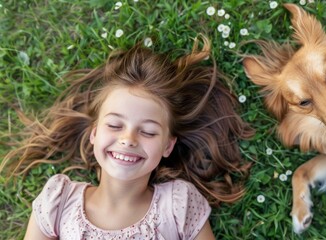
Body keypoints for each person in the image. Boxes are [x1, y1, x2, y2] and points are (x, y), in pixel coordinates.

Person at [1, 35, 254, 239]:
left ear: (167, 145)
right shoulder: (58, 201)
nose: (129, 138)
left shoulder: (178, 205)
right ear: (94, 133)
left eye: (148, 131)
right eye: (114, 124)